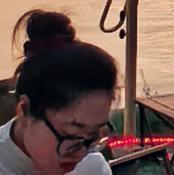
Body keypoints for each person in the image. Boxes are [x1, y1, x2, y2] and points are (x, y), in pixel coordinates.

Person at [1, 11, 117, 175]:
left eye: (93, 135)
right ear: (24, 110)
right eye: (70, 134)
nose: (81, 153)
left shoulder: (91, 167)